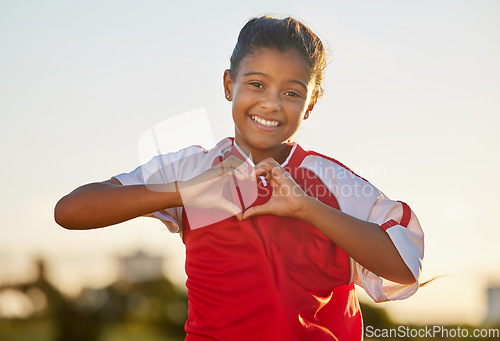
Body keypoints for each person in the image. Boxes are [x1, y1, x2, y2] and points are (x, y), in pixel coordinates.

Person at [55, 16, 424, 340]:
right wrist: (182, 192)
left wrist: (307, 208)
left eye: (292, 92)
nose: (271, 103)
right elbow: (70, 211)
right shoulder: (191, 169)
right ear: (229, 84)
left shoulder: (333, 182)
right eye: (257, 84)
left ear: (310, 104)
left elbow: (404, 269)